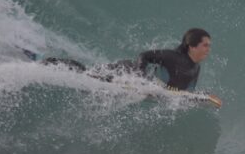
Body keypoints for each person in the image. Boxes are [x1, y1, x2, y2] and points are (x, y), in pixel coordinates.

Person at [34, 28, 222, 107]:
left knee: (87, 76)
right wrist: (138, 79)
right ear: (192, 45)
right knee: (85, 75)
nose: (209, 49)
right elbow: (144, 56)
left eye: (209, 45)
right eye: (206, 45)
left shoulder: (195, 69)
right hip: (125, 72)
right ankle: (46, 61)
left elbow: (181, 93)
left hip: (137, 82)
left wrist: (202, 98)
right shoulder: (174, 57)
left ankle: (47, 61)